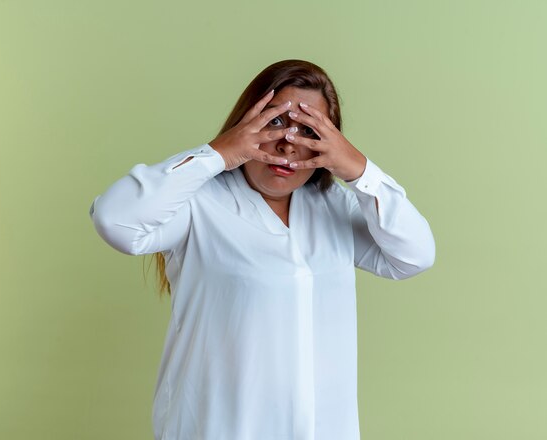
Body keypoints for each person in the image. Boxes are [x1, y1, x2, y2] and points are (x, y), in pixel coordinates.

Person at [89, 59, 435, 440]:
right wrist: (217, 154)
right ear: (246, 123)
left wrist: (359, 170)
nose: (289, 142)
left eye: (309, 130)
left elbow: (414, 255)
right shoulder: (198, 203)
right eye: (275, 122)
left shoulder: (333, 205)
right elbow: (115, 219)